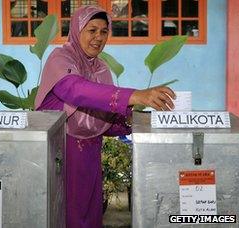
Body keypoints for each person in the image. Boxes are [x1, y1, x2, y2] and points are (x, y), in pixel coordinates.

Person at [35, 6, 175, 228]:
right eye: (92, 30)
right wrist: (136, 95)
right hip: (61, 153)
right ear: (76, 29)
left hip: (90, 155)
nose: (98, 38)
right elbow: (75, 90)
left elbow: (101, 117)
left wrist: (134, 120)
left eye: (103, 31)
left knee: (90, 214)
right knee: (65, 214)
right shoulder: (60, 59)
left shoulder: (100, 67)